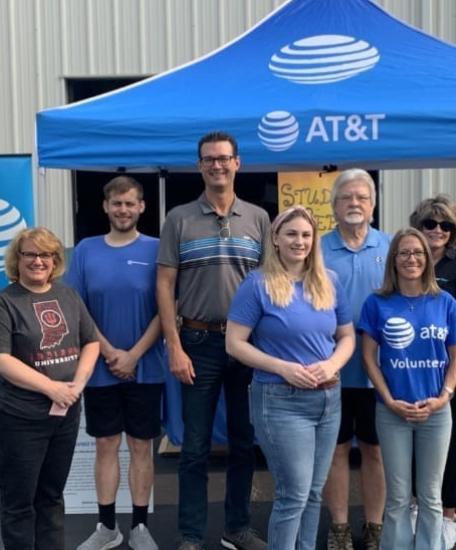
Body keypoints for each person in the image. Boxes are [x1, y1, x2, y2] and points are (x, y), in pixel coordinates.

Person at [157, 131, 270, 550]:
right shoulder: (179, 218)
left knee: (244, 442)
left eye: (224, 158)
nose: (217, 165)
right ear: (200, 165)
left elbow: (268, 287)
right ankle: (190, 535)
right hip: (196, 343)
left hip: (245, 347)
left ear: (237, 163)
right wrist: (173, 344)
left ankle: (236, 528)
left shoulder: (258, 218)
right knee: (195, 447)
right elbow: (165, 284)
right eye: (209, 159)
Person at [226, 205, 355, 550]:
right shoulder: (257, 285)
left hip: (328, 398)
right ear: (276, 239)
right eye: (292, 234)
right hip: (280, 400)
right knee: (293, 495)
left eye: (306, 235)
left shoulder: (330, 281)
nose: (300, 241)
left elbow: (347, 336)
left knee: (313, 492)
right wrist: (282, 367)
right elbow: (235, 343)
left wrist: (332, 365)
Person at [0, 227, 101, 550]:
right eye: (29, 254)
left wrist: (79, 382)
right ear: (16, 260)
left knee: (51, 497)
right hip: (20, 419)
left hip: (65, 415)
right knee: (20, 504)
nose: (38, 261)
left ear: (56, 260)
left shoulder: (68, 296)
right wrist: (51, 388)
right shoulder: (2, 303)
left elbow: (90, 341)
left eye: (45, 254)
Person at [67, 176, 166, 550]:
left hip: (147, 365)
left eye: (130, 203)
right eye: (116, 203)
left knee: (142, 446)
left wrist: (135, 354)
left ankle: (139, 527)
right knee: (106, 443)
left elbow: (165, 308)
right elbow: (78, 308)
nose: (123, 210)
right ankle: (107, 527)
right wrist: (109, 353)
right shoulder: (86, 250)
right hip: (100, 365)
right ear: (106, 207)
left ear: (142, 207)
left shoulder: (159, 249)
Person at [358, 228, 456, 550]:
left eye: (418, 253)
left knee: (431, 496)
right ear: (393, 260)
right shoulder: (377, 303)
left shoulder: (444, 302)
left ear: (428, 259)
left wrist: (444, 397)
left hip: (436, 412)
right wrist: (389, 399)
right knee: (396, 498)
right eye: (404, 253)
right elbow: (368, 358)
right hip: (392, 412)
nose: (412, 259)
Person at [319, 169, 389, 550]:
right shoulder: (316, 248)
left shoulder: (393, 246)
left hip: (380, 373)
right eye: (346, 198)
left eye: (361, 197)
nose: (354, 204)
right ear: (334, 206)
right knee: (338, 450)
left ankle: (376, 527)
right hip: (332, 371)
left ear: (373, 205)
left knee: (376, 450)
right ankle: (341, 527)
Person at [408, 195, 456, 549]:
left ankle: (448, 514)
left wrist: (447, 370)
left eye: (445, 225)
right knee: (413, 443)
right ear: (417, 227)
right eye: (429, 224)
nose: (437, 231)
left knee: (447, 447)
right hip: (408, 369)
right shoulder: (406, 260)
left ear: (453, 231)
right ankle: (419, 505)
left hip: (447, 370)